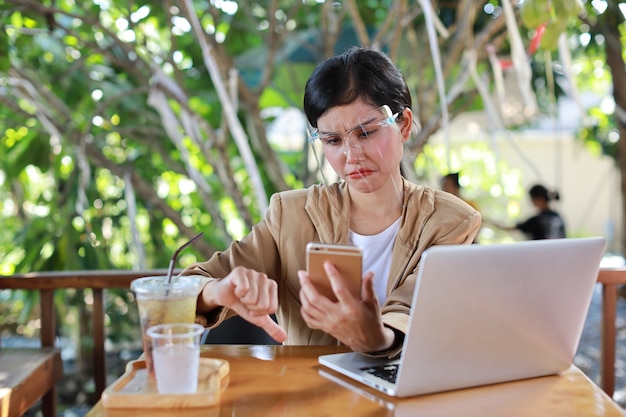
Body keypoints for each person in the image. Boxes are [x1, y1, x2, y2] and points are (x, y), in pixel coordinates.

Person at [182, 47, 481, 359]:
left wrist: (376, 336)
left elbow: (412, 305)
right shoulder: (291, 216)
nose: (352, 156)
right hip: (312, 397)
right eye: (333, 141)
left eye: (365, 133)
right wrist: (216, 291)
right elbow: (186, 287)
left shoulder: (451, 221)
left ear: (403, 124)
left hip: (408, 394)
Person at [500, 184, 566, 240]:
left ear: (539, 198)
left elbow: (510, 228)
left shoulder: (536, 220)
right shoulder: (557, 217)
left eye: (532, 198)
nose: (531, 202)